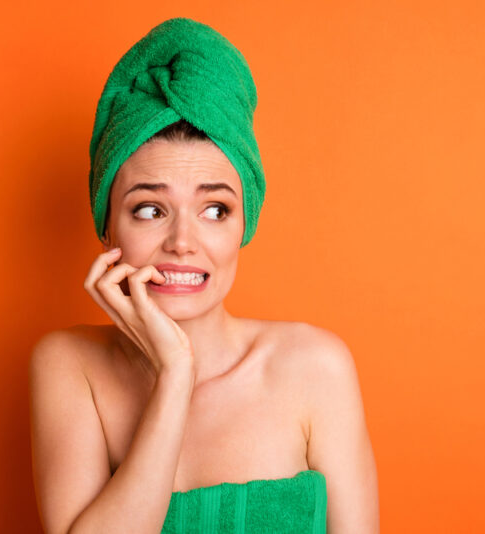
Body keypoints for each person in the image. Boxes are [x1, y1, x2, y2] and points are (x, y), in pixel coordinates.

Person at [29, 17, 379, 534]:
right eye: (150, 209)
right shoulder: (69, 368)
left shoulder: (317, 369)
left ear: (244, 225)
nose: (183, 242)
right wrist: (176, 376)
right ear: (107, 226)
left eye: (215, 210)